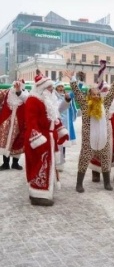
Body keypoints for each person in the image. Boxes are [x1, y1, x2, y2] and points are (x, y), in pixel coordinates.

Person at [65, 66, 114, 193]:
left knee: (106, 160)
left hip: (103, 140)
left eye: (97, 94)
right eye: (93, 94)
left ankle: (107, 183)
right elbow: (78, 94)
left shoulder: (104, 105)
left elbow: (112, 93)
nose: (96, 96)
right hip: (89, 141)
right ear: (89, 96)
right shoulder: (85, 105)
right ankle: (79, 184)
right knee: (84, 160)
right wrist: (73, 79)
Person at [24, 71, 69, 206]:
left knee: (48, 165)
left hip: (49, 138)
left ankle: (45, 191)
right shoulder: (33, 100)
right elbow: (31, 122)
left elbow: (54, 118)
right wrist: (38, 138)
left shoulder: (48, 101)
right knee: (39, 165)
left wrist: (61, 130)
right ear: (42, 88)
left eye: (51, 87)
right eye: (49, 88)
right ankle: (37, 194)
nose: (52, 90)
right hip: (39, 140)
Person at [0, 79, 29, 170]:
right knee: (6, 141)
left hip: (20, 123)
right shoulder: (6, 93)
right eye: (15, 85)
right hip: (6, 121)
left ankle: (15, 163)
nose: (16, 86)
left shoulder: (26, 95)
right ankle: (5, 163)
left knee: (18, 141)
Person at [54, 80, 78, 171]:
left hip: (66, 124)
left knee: (63, 143)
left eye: (62, 87)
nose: (61, 88)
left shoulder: (66, 97)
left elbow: (76, 91)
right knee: (56, 143)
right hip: (56, 124)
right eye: (59, 87)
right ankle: (55, 162)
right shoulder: (53, 97)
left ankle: (61, 162)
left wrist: (77, 81)